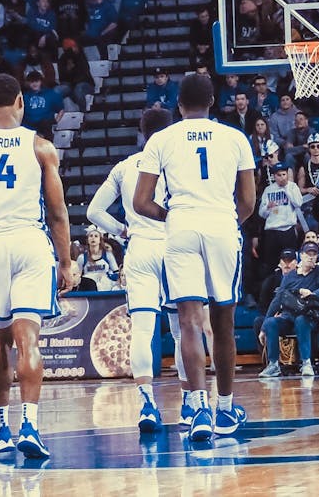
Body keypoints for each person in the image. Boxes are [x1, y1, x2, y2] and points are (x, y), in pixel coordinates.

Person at [0, 73, 73, 459]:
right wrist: (66, 261)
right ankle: (32, 427)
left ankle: (0, 427)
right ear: (21, 101)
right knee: (29, 341)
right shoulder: (42, 147)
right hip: (31, 243)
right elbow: (57, 212)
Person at [133, 74, 256, 442]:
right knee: (223, 321)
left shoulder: (162, 138)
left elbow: (141, 201)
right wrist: (227, 218)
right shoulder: (235, 137)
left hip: (181, 226)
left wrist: (168, 216)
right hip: (221, 226)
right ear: (214, 101)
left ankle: (198, 408)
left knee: (187, 320)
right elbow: (248, 201)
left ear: (178, 105)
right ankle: (226, 408)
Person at [87, 107, 196, 431]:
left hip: (140, 248)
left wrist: (120, 229)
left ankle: (147, 404)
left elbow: (94, 211)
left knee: (144, 330)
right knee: (182, 331)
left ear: (141, 132)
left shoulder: (125, 166)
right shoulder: (181, 160)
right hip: (174, 246)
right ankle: (190, 404)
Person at [258, 242, 319, 378]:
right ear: (301, 256)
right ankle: (273, 365)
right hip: (288, 316)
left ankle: (306, 363)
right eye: (308, 254)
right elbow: (277, 300)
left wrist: (312, 293)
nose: (311, 257)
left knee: (301, 320)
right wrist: (263, 328)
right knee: (270, 323)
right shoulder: (289, 276)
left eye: (314, 254)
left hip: (309, 315)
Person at [75, 226, 120, 291]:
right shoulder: (82, 258)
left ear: (100, 240)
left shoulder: (108, 255)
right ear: (87, 240)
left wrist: (108, 276)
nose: (93, 238)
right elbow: (77, 276)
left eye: (96, 236)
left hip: (105, 286)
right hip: (89, 287)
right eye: (91, 236)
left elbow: (116, 273)